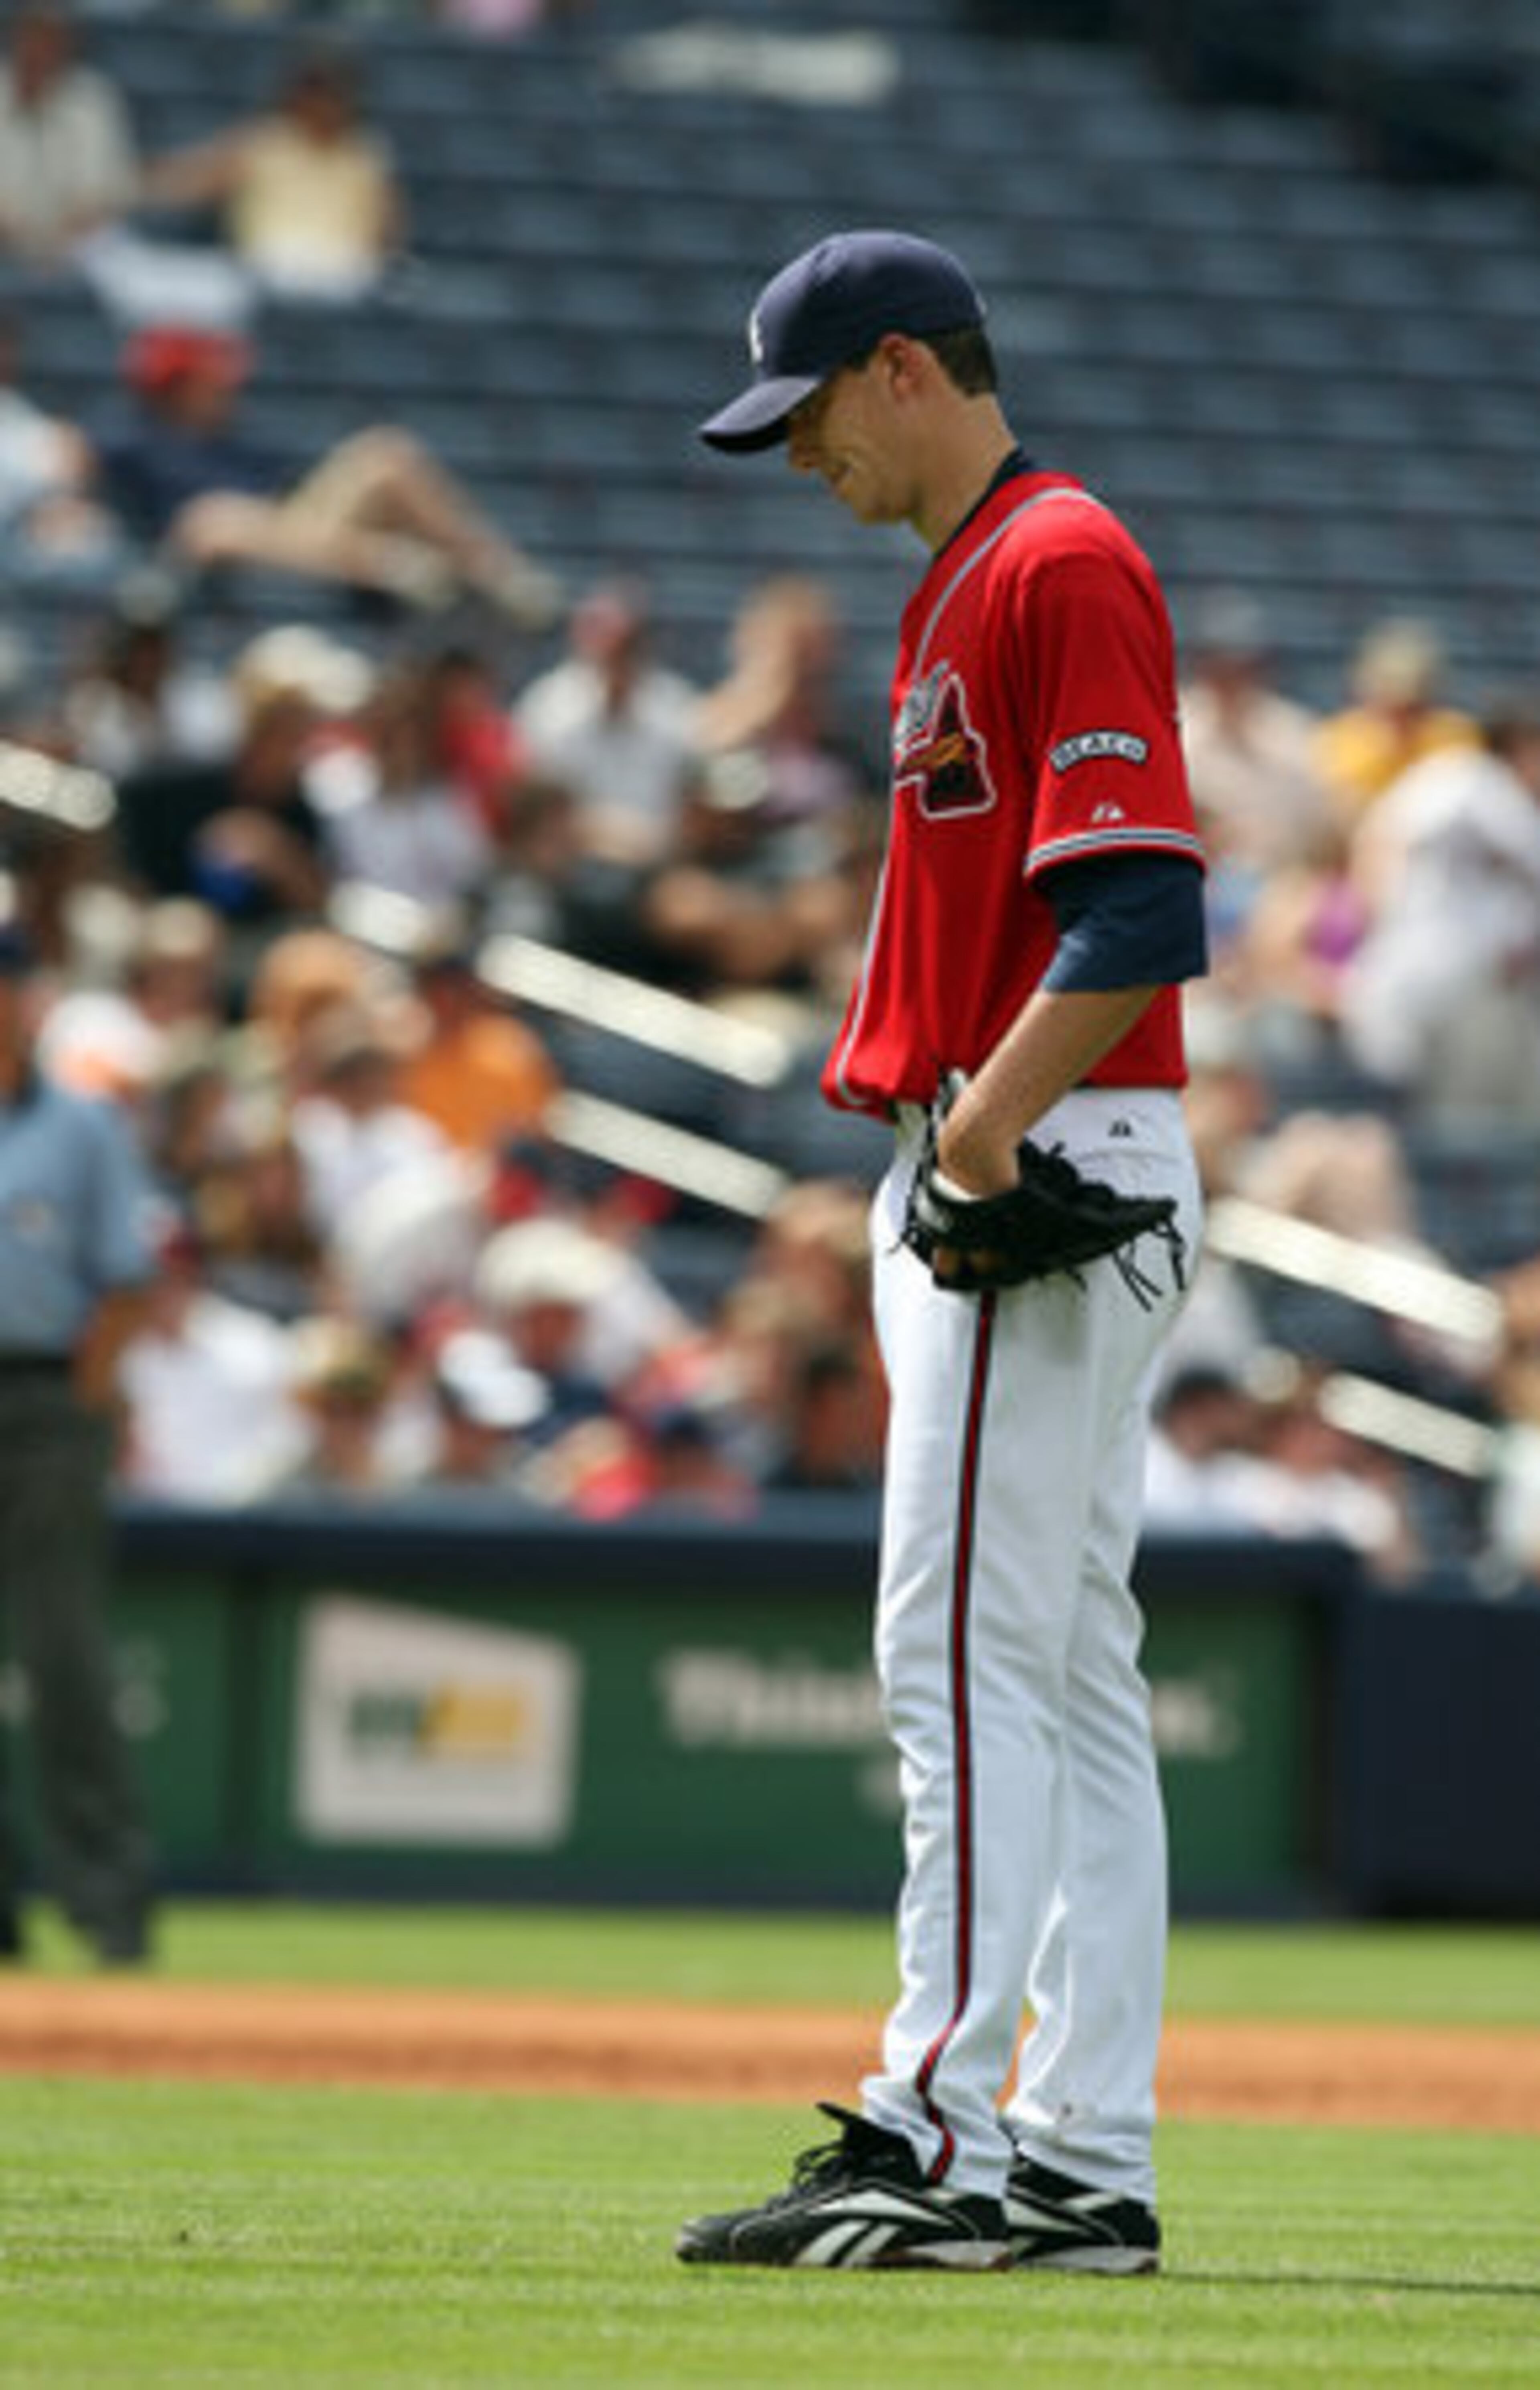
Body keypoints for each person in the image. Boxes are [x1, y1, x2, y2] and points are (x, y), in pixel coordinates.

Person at [679, 230, 1207, 2274]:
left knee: (962, 1657)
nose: (796, 452)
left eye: (808, 410)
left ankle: (936, 2131)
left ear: (904, 369)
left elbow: (1141, 911)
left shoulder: (1054, 558)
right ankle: (1080, 2153)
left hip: (1037, 1151)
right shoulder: (972, 572)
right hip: (1030, 1139)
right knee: (1064, 1673)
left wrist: (978, 1138)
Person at [0, 918, 158, 1964]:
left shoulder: (82, 1121)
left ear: (32, 1000)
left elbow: (125, 1281)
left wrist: (85, 1402)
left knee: (65, 1653)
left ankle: (108, 1903)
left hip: (45, 1397)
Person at [140, 44, 406, 306]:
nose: (324, 104)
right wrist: (144, 182)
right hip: (269, 272)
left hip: (344, 279)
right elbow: (191, 181)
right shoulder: (263, 141)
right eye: (315, 91)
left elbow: (388, 231)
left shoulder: (367, 151)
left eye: (333, 94)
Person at [0, 4, 138, 267]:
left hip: (75, 249)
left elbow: (104, 194)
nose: (39, 51)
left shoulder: (92, 100)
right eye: (33, 38)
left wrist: (57, 245)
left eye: (50, 40)